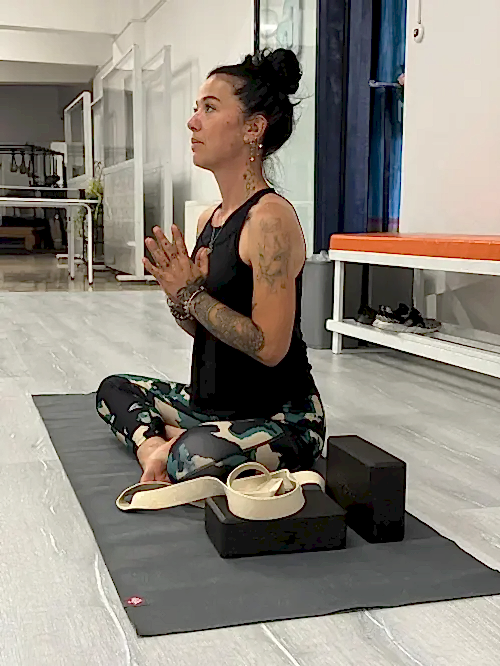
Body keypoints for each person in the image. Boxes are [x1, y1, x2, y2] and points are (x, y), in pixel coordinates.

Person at [96, 48, 325, 484]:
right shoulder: (209, 219)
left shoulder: (269, 219)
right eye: (196, 108)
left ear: (253, 128)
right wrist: (179, 297)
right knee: (113, 389)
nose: (192, 121)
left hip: (279, 417)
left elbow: (269, 347)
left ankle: (174, 446)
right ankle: (158, 448)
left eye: (209, 108)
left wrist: (192, 294)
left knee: (191, 457)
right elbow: (205, 328)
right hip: (208, 406)